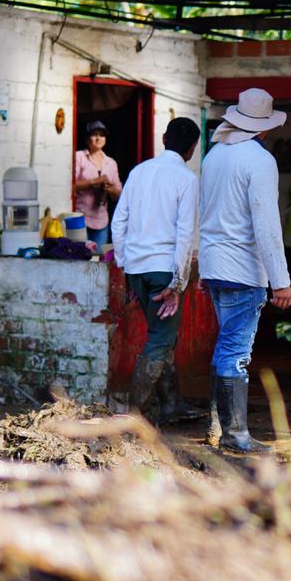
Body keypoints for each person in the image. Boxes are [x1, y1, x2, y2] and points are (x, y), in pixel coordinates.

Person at [199, 88, 291, 453]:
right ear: (265, 128)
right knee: (235, 350)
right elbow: (267, 225)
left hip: (215, 264)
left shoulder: (214, 155)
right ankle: (235, 434)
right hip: (242, 268)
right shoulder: (258, 160)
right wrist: (281, 282)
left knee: (225, 346)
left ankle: (218, 427)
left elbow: (205, 213)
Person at [111, 117, 200, 423]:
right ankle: (133, 416)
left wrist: (124, 264)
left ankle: (172, 404)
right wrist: (178, 282)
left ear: (164, 138)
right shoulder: (186, 179)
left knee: (164, 338)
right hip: (164, 271)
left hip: (138, 269)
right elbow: (185, 234)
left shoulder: (139, 171)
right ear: (192, 149)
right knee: (160, 341)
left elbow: (118, 221)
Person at [73, 120, 123, 247]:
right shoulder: (79, 157)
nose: (98, 138)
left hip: (102, 221)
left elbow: (120, 195)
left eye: (101, 135)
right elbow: (71, 186)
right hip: (80, 219)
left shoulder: (111, 163)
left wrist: (110, 189)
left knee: (100, 261)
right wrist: (94, 182)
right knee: (79, 258)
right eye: (94, 134)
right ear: (87, 139)